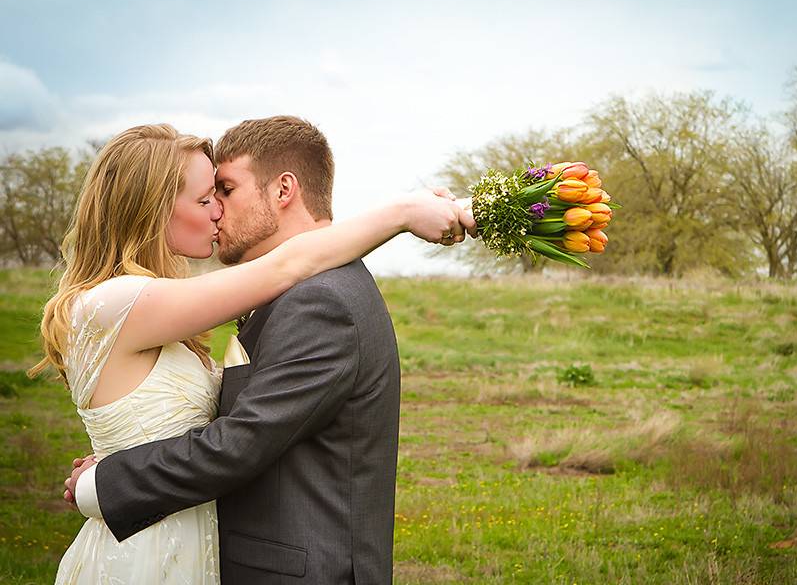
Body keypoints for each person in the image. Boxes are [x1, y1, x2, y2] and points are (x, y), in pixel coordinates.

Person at [39, 118, 474, 584]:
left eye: (222, 191)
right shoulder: (123, 301)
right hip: (150, 549)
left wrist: (107, 479)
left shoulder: (320, 298)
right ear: (155, 206)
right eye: (206, 197)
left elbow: (241, 439)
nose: (216, 211)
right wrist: (404, 211)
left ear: (283, 190)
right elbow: (288, 264)